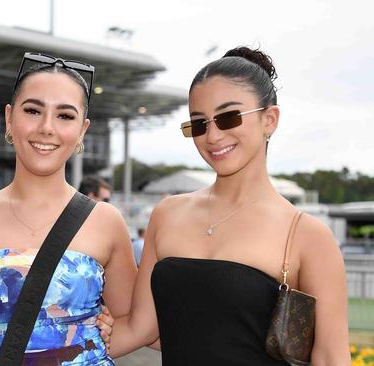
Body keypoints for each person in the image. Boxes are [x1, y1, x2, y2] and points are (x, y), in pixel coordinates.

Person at [108, 47, 350, 364]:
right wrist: (48, 345)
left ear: (270, 119)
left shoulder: (307, 235)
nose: (212, 135)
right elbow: (140, 328)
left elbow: (331, 357)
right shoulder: (168, 213)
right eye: (198, 124)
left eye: (228, 117)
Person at [0, 53, 135, 365]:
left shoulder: (106, 221)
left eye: (65, 116)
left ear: (82, 130)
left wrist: (100, 337)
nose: (46, 127)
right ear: (10, 118)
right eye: (33, 110)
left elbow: (135, 323)